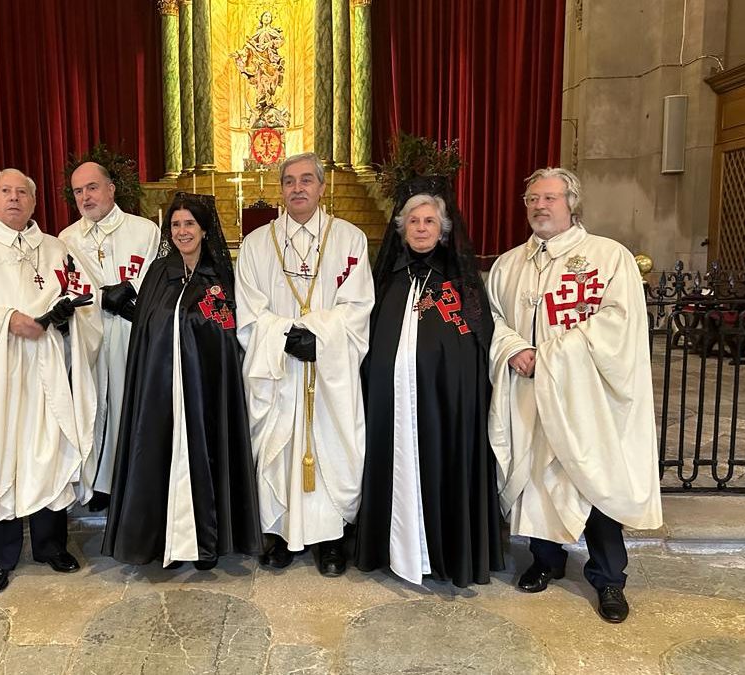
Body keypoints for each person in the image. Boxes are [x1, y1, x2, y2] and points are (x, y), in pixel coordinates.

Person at [486, 167, 663, 623]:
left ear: (571, 203)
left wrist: (549, 354)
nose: (539, 207)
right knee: (537, 475)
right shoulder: (509, 264)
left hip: (587, 398)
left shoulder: (607, 257)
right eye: (532, 200)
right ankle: (546, 561)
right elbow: (494, 320)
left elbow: (619, 324)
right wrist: (513, 349)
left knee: (593, 477)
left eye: (549, 198)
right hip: (530, 393)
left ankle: (609, 579)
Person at [0, 168, 102, 595]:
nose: (14, 199)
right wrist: (9, 320)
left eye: (23, 193)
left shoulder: (54, 248)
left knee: (49, 451)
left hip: (46, 367)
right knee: (3, 455)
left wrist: (68, 317)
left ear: (34, 202)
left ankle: (51, 546)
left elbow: (80, 294)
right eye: (5, 192)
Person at [353, 177, 505, 587]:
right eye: (414, 221)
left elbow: (476, 349)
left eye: (430, 222)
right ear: (402, 228)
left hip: (444, 410)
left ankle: (444, 553)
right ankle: (392, 550)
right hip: (391, 408)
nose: (421, 228)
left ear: (443, 230)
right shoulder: (386, 284)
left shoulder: (461, 287)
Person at [102, 193, 263, 570]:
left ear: (205, 229)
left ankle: (206, 543)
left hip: (204, 392)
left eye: (190, 223)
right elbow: (147, 326)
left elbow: (226, 336)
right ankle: (166, 542)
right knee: (157, 456)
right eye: (175, 224)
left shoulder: (216, 278)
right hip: (158, 390)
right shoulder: (160, 273)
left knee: (205, 458)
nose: (182, 231)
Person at [235, 152, 373, 577]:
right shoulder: (258, 244)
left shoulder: (350, 239)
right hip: (277, 369)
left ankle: (329, 539)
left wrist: (319, 336)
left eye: (307, 180)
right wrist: (283, 336)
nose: (298, 188)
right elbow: (249, 307)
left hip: (329, 370)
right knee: (277, 452)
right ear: (281, 189)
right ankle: (277, 533)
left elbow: (358, 302)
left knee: (332, 447)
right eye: (290, 181)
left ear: (322, 187)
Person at [59, 161, 160, 508]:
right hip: (90, 336)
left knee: (129, 404)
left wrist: (132, 290)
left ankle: (133, 481)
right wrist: (104, 297)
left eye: (92, 187)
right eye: (78, 191)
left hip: (134, 334)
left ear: (111, 189)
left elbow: (158, 276)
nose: (86, 197)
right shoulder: (66, 239)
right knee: (95, 405)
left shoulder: (145, 230)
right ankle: (99, 482)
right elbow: (67, 288)